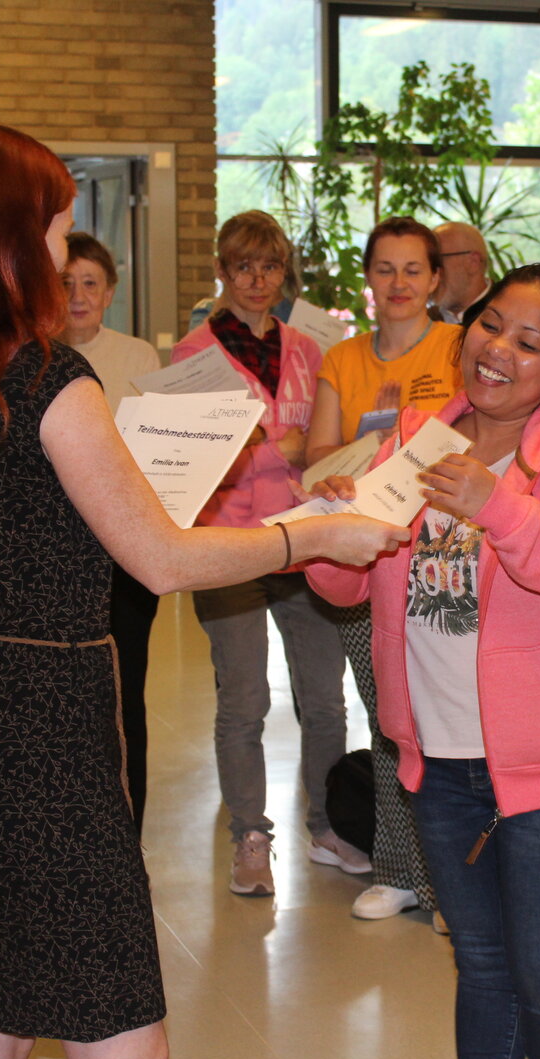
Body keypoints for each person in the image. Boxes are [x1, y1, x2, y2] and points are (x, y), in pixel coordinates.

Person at [0, 123, 407, 1059]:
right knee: (124, 1044)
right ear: (6, 242)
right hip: (41, 731)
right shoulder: (48, 381)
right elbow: (159, 559)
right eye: (60, 231)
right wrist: (310, 533)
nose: (67, 255)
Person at [305, 263, 540, 1059]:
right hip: (438, 758)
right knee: (482, 966)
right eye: (489, 326)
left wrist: (498, 503)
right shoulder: (417, 441)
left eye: (530, 343)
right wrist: (331, 528)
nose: (497, 351)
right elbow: (345, 585)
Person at [169, 211, 367, 895]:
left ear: (285, 273)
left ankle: (328, 824)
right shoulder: (192, 355)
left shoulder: (311, 351)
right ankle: (251, 835)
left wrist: (285, 451)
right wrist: (272, 452)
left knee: (324, 698)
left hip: (304, 540)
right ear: (223, 272)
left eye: (271, 267)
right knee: (244, 699)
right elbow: (197, 462)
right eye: (244, 267)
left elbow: (325, 444)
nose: (258, 281)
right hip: (227, 544)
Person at [307, 216, 463, 920]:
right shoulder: (341, 361)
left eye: (413, 270)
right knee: (389, 716)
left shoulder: (462, 348)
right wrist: (365, 448)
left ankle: (459, 873)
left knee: (452, 719)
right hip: (365, 560)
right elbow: (317, 462)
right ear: (367, 278)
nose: (398, 284)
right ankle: (401, 869)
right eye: (385, 270)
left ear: (435, 279)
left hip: (448, 559)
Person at [55, 232, 164, 830]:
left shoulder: (139, 356)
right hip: (57, 555)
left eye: (90, 283)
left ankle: (128, 828)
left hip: (125, 551)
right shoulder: (33, 357)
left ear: (110, 292)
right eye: (64, 283)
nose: (77, 296)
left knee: (126, 697)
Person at [434, 221, 490, 323]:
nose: (432, 272)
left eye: (438, 260)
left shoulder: (504, 314)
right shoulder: (422, 322)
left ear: (473, 262)